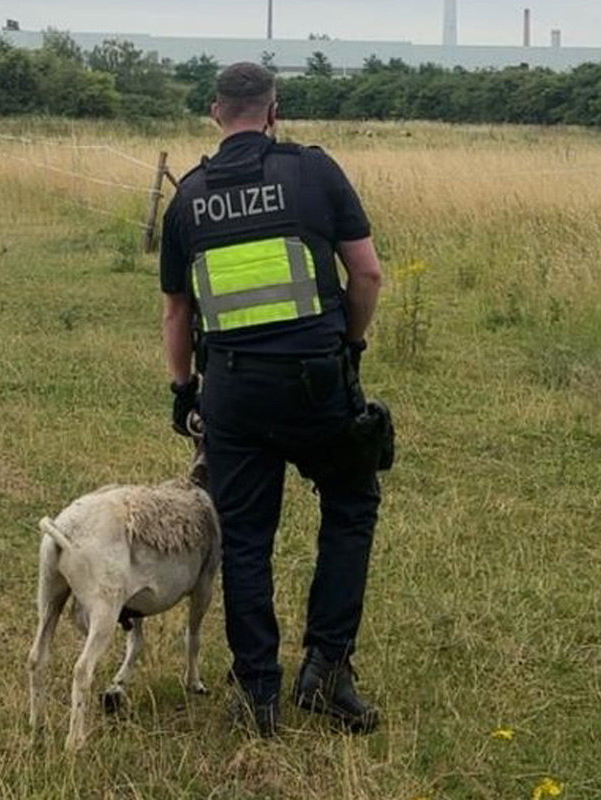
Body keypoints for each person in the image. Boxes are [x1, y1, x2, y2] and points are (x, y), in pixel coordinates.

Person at [159, 62, 387, 737]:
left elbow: (177, 311)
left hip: (231, 390)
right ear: (273, 110)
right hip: (316, 381)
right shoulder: (314, 173)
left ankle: (257, 693)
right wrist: (347, 346)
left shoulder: (188, 197)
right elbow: (367, 272)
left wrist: (183, 392)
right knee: (351, 503)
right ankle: (327, 671)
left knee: (247, 538)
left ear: (214, 113)